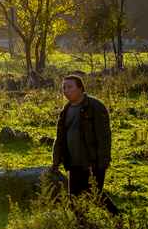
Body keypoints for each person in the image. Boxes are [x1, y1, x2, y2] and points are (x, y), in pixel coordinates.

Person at [51, 74, 120, 215]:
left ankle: (117, 218)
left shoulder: (95, 106)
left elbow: (104, 136)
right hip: (73, 164)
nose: (66, 91)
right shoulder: (64, 111)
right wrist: (56, 159)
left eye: (70, 87)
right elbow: (59, 138)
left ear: (80, 88)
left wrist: (103, 160)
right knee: (74, 200)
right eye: (64, 87)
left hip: (93, 163)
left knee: (95, 196)